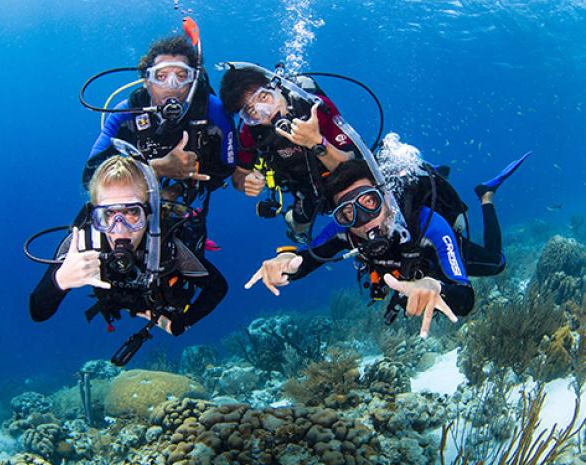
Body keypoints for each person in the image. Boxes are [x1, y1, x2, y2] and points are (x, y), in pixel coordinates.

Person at [245, 154, 527, 338]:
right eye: (348, 213)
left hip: (429, 255)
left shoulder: (428, 224)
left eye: (369, 203)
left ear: (386, 199)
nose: (364, 222)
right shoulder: (344, 231)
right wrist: (286, 266)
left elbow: (464, 296)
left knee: (497, 263)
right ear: (340, 217)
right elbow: (308, 259)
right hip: (410, 273)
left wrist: (438, 287)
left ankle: (486, 195)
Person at [30, 155, 227, 365]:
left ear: (148, 213)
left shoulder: (167, 246)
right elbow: (38, 311)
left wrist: (181, 324)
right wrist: (60, 281)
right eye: (108, 214)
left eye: (132, 212)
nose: (120, 228)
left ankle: (176, 186)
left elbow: (217, 287)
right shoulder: (82, 245)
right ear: (96, 217)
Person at [84, 34, 237, 205]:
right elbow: (91, 175)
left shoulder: (214, 111)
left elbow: (226, 166)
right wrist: (154, 168)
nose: (172, 86)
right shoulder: (125, 114)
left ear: (193, 81)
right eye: (161, 76)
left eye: (181, 76)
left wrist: (180, 188)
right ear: (146, 81)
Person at [219, 66, 355, 243]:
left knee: (360, 209)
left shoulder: (316, 108)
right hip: (302, 187)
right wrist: (247, 182)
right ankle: (294, 227)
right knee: (299, 222)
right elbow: (238, 178)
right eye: (252, 112)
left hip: (342, 176)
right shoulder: (251, 132)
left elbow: (352, 164)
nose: (265, 112)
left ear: (274, 86)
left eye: (264, 98)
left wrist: (316, 143)